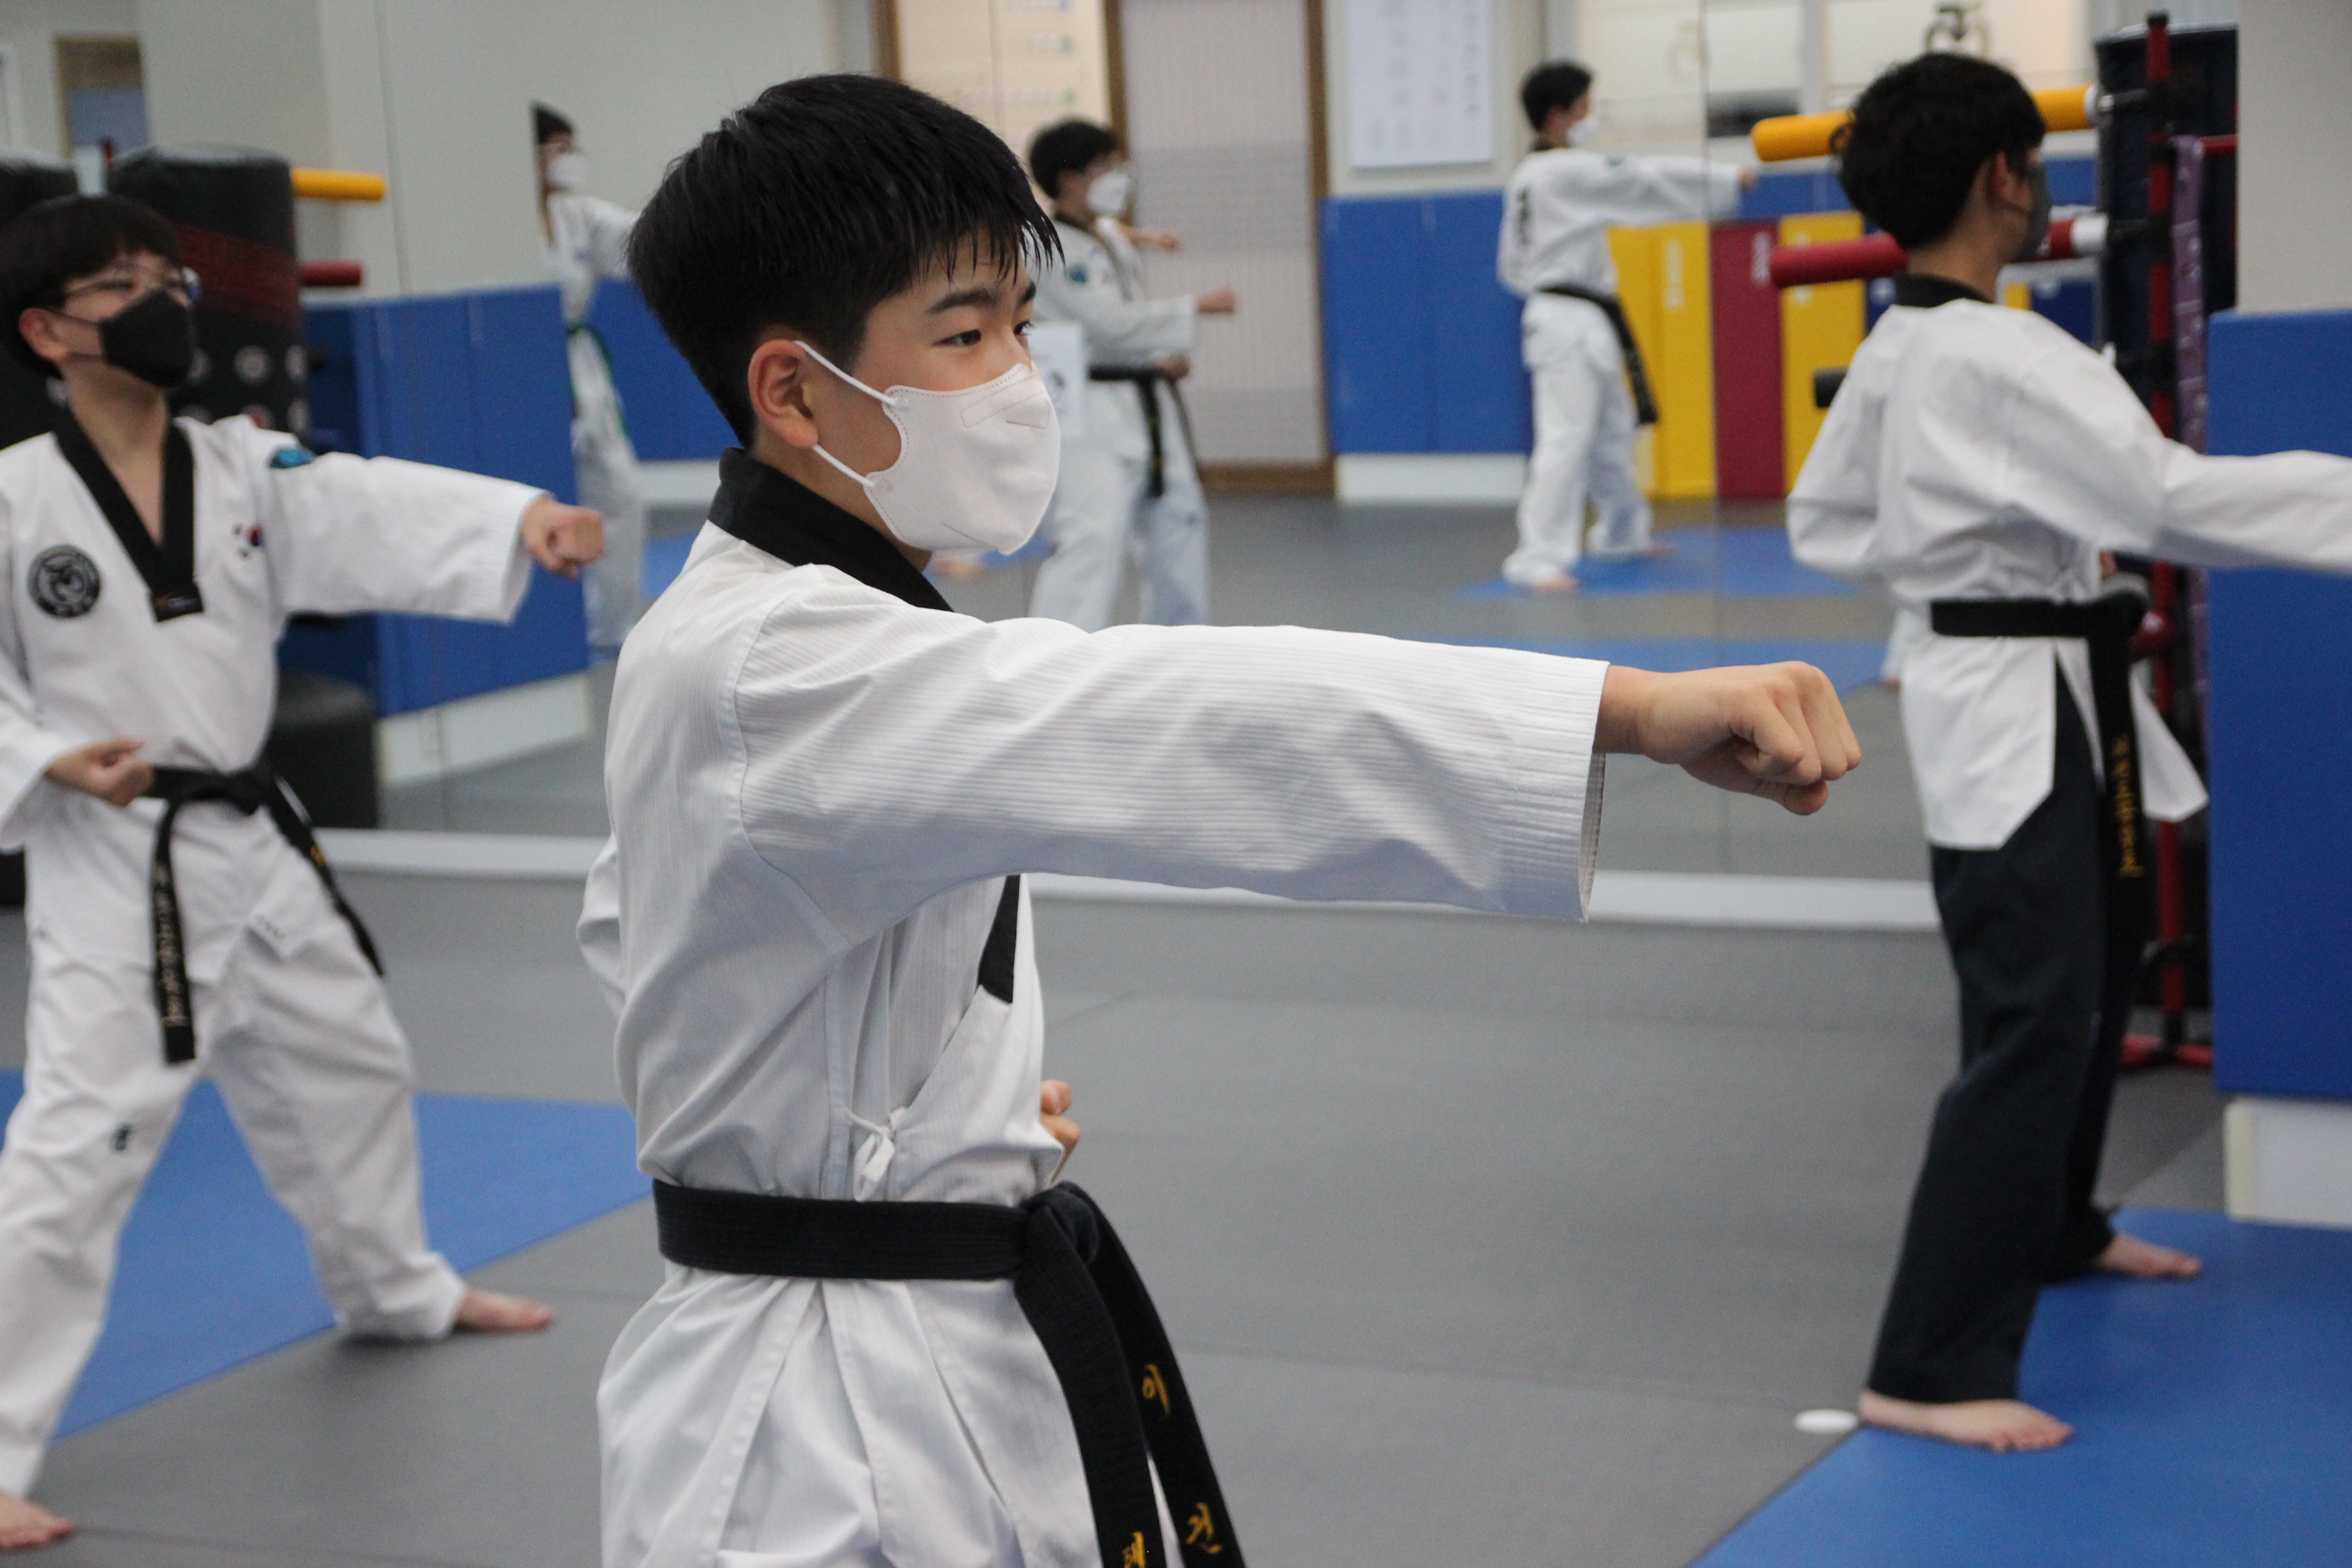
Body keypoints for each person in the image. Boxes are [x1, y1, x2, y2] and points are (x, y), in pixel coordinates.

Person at [587, 73, 1858, 1567]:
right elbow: (1173, 714)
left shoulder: (781, 622)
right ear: (794, 392)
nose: (1018, 375)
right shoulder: (776, 661)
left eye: (1019, 324)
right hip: (813, 1433)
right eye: (966, 336)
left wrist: (922, 1114)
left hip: (902, 1327)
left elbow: (646, 929)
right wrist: (1619, 710)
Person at [0, 194, 605, 1548]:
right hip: (119, 860)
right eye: (120, 285)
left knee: (352, 1061)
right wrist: (43, 758)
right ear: (46, 331)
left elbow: (362, 503)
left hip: (251, 834)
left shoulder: (239, 465)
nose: (162, 303)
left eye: (169, 278)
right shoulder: (12, 498)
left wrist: (517, 520)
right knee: (79, 1149)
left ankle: (394, 1287)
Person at [1789, 52, 2352, 1454]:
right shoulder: (2003, 351)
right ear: (2004, 174)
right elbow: (2168, 499)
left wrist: (1979, 566)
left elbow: (1825, 521)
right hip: (2021, 708)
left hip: (2022, 690)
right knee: (2034, 1015)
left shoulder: (1900, 346)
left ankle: (2058, 1226)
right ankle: (1926, 1364)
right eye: (2035, 165)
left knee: (2095, 973)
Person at [1498, 61, 1752, 592]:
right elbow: (1640, 178)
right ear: (1558, 116)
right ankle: (1536, 556)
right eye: (1584, 108)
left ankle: (1621, 533)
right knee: (1567, 437)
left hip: (1581, 313)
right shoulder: (1561, 171)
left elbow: (1511, 267)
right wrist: (1726, 179)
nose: (1592, 117)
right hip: (1565, 317)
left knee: (1612, 430)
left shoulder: (1531, 175)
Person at [1023, 118, 1235, 630]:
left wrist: (1160, 357)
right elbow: (1108, 323)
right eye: (1105, 166)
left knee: (1179, 524)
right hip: (1090, 408)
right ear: (1071, 179)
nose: (1117, 177)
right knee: (1092, 534)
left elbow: (1124, 317)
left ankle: (1178, 644)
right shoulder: (1046, 247)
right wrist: (1196, 307)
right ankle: (1055, 651)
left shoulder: (1107, 237)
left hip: (1146, 400)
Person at [536, 103, 647, 650]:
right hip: (520, 366)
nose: (568, 160)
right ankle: (544, 632)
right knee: (533, 491)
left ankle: (614, 625)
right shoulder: (494, 220)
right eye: (557, 149)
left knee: (620, 491)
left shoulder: (579, 216)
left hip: (580, 368)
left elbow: (642, 238)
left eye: (570, 148)